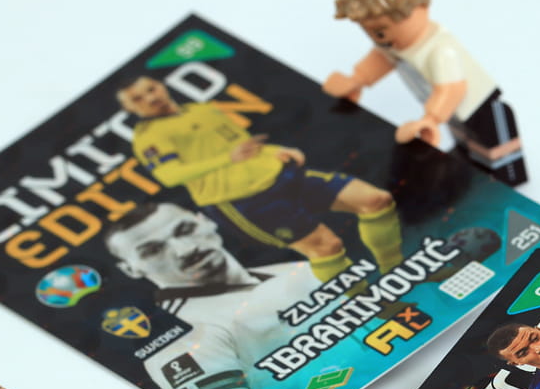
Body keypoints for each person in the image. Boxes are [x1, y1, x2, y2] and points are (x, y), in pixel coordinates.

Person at [116, 74, 405, 285]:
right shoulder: (149, 138)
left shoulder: (201, 109)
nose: (150, 98)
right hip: (241, 200)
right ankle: (373, 305)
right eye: (137, 99)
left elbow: (242, 145)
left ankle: (394, 271)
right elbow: (169, 175)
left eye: (151, 89)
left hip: (279, 175)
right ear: (129, 109)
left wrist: (275, 150)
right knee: (326, 247)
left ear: (162, 85)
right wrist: (228, 159)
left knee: (375, 200)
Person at [325, 0, 526, 185]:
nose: (379, 40)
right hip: (452, 112)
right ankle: (470, 166)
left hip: (480, 106)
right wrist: (357, 79)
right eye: (369, 33)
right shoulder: (393, 45)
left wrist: (430, 119)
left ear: (418, 8)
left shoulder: (439, 50)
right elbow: (381, 58)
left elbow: (452, 89)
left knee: (496, 149)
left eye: (380, 32)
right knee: (464, 144)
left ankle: (504, 179)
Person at [104, 202, 316, 389]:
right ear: (130, 269)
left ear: (206, 221)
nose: (186, 249)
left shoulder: (300, 271)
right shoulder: (180, 338)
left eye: (186, 230)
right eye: (153, 250)